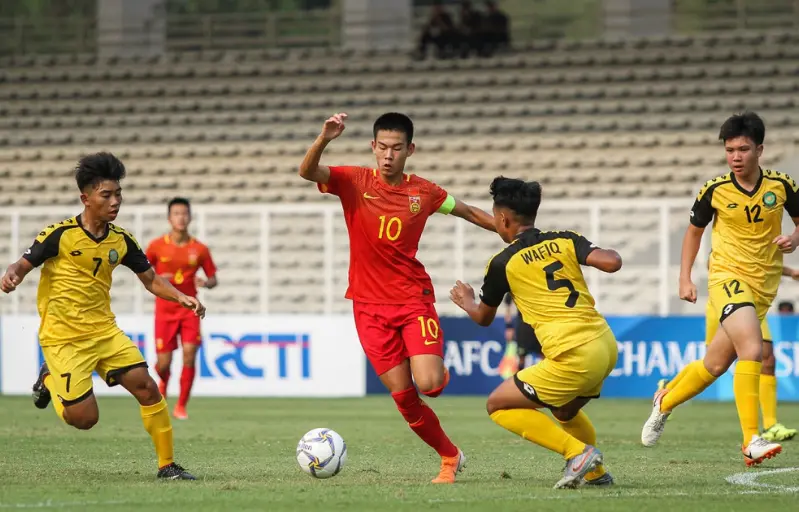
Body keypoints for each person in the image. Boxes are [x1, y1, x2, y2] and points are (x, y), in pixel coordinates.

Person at [298, 112, 495, 483]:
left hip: (411, 300)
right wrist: (324, 139)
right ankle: (450, 457)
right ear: (373, 147)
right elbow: (308, 172)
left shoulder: (425, 192)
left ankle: (429, 363)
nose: (388, 155)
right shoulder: (353, 181)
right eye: (382, 147)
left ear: (410, 150)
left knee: (431, 386)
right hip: (368, 308)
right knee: (405, 399)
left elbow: (467, 211)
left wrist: (507, 233)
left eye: (397, 148)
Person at [0, 152, 202, 480]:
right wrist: (12, 276)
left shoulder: (121, 240)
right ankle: (49, 378)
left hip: (104, 332)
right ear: (86, 198)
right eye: (106, 195)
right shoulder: (59, 235)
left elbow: (151, 279)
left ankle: (167, 466)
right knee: (84, 419)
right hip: (64, 337)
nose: (115, 201)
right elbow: (21, 264)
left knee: (148, 388)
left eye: (118, 194)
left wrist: (182, 297)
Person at [642, 112, 799, 466]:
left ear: (760, 149)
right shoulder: (714, 190)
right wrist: (684, 277)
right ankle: (751, 440)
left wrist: (793, 238)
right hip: (727, 277)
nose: (736, 157)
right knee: (753, 349)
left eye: (743, 149)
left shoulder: (782, 185)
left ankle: (664, 402)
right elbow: (693, 232)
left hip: (764, 285)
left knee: (714, 365)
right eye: (730, 150)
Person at [450, 177, 622, 489]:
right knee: (564, 409)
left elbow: (483, 318)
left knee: (498, 404)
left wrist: (466, 301)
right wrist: (596, 251)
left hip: (574, 354)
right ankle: (596, 474)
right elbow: (612, 262)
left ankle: (578, 453)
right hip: (605, 344)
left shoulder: (503, 263)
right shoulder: (565, 239)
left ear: (502, 219)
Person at [657, 264, 799, 441]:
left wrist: (790, 270)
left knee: (767, 358)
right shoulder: (724, 239)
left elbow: (766, 258)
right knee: (713, 363)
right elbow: (713, 258)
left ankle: (770, 424)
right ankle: (668, 390)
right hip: (727, 296)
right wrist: (685, 278)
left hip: (753, 299)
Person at [146, 197, 217, 420]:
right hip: (164, 311)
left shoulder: (200, 249)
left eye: (185, 213)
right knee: (163, 364)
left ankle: (181, 406)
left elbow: (214, 279)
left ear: (190, 217)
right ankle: (163, 384)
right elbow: (144, 274)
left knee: (189, 355)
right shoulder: (156, 247)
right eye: (177, 213)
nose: (181, 217)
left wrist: (205, 283)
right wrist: (158, 278)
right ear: (169, 218)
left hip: (190, 310)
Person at [499, 294, 543, 380]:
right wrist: (509, 326)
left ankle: (546, 386)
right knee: (521, 358)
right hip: (523, 327)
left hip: (540, 326)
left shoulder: (540, 283)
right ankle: (518, 386)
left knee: (545, 357)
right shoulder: (519, 282)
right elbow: (508, 303)